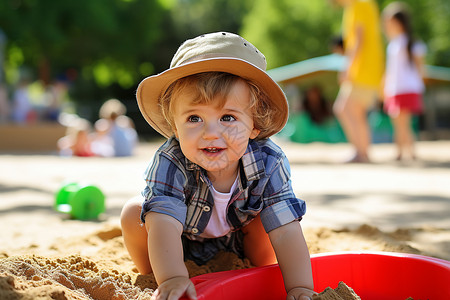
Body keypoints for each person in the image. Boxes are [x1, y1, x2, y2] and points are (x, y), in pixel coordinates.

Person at [120, 32, 315, 300]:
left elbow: (285, 230)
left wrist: (300, 287)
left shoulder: (269, 161)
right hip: (178, 244)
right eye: (194, 118)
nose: (211, 133)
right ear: (174, 125)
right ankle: (156, 277)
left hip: (239, 242)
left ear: (254, 124)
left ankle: (255, 269)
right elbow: (164, 222)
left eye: (227, 117)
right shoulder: (171, 159)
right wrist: (173, 276)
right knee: (134, 212)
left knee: (268, 217)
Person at [332, 0, 384, 163]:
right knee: (353, 111)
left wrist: (348, 67)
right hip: (366, 71)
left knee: (344, 108)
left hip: (363, 71)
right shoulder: (359, 6)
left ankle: (361, 152)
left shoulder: (360, 5)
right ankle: (363, 152)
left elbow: (359, 41)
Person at [382, 2, 426, 161]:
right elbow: (390, 70)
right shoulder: (393, 45)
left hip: (407, 87)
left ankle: (407, 152)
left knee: (403, 122)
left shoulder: (411, 43)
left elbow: (420, 68)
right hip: (395, 89)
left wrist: (419, 85)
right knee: (398, 122)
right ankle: (403, 151)